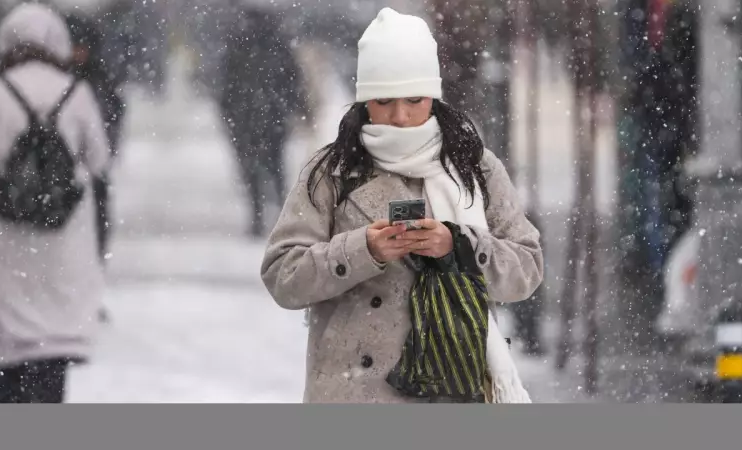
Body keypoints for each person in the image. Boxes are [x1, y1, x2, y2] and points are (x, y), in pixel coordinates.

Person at [261, 8, 544, 403]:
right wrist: (363, 251)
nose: (400, 116)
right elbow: (282, 276)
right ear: (364, 101)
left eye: (414, 99)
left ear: (433, 95)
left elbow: (526, 269)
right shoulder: (331, 171)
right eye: (384, 100)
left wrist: (459, 244)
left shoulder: (473, 167)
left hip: (452, 387)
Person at [0, 3, 110, 403]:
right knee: (50, 366)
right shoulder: (77, 93)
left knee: (8, 362)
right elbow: (100, 161)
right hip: (60, 236)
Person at [220, 7, 309, 237]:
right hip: (272, 115)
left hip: (247, 116)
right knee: (275, 166)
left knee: (252, 168)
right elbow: (293, 77)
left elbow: (226, 82)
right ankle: (278, 213)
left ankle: (258, 214)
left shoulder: (238, 41)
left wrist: (228, 112)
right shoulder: (278, 41)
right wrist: (297, 106)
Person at [64, 13, 127, 262]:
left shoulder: (98, 79)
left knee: (98, 210)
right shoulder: (75, 79)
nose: (78, 52)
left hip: (91, 164)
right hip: (69, 164)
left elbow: (112, 116)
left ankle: (95, 256)